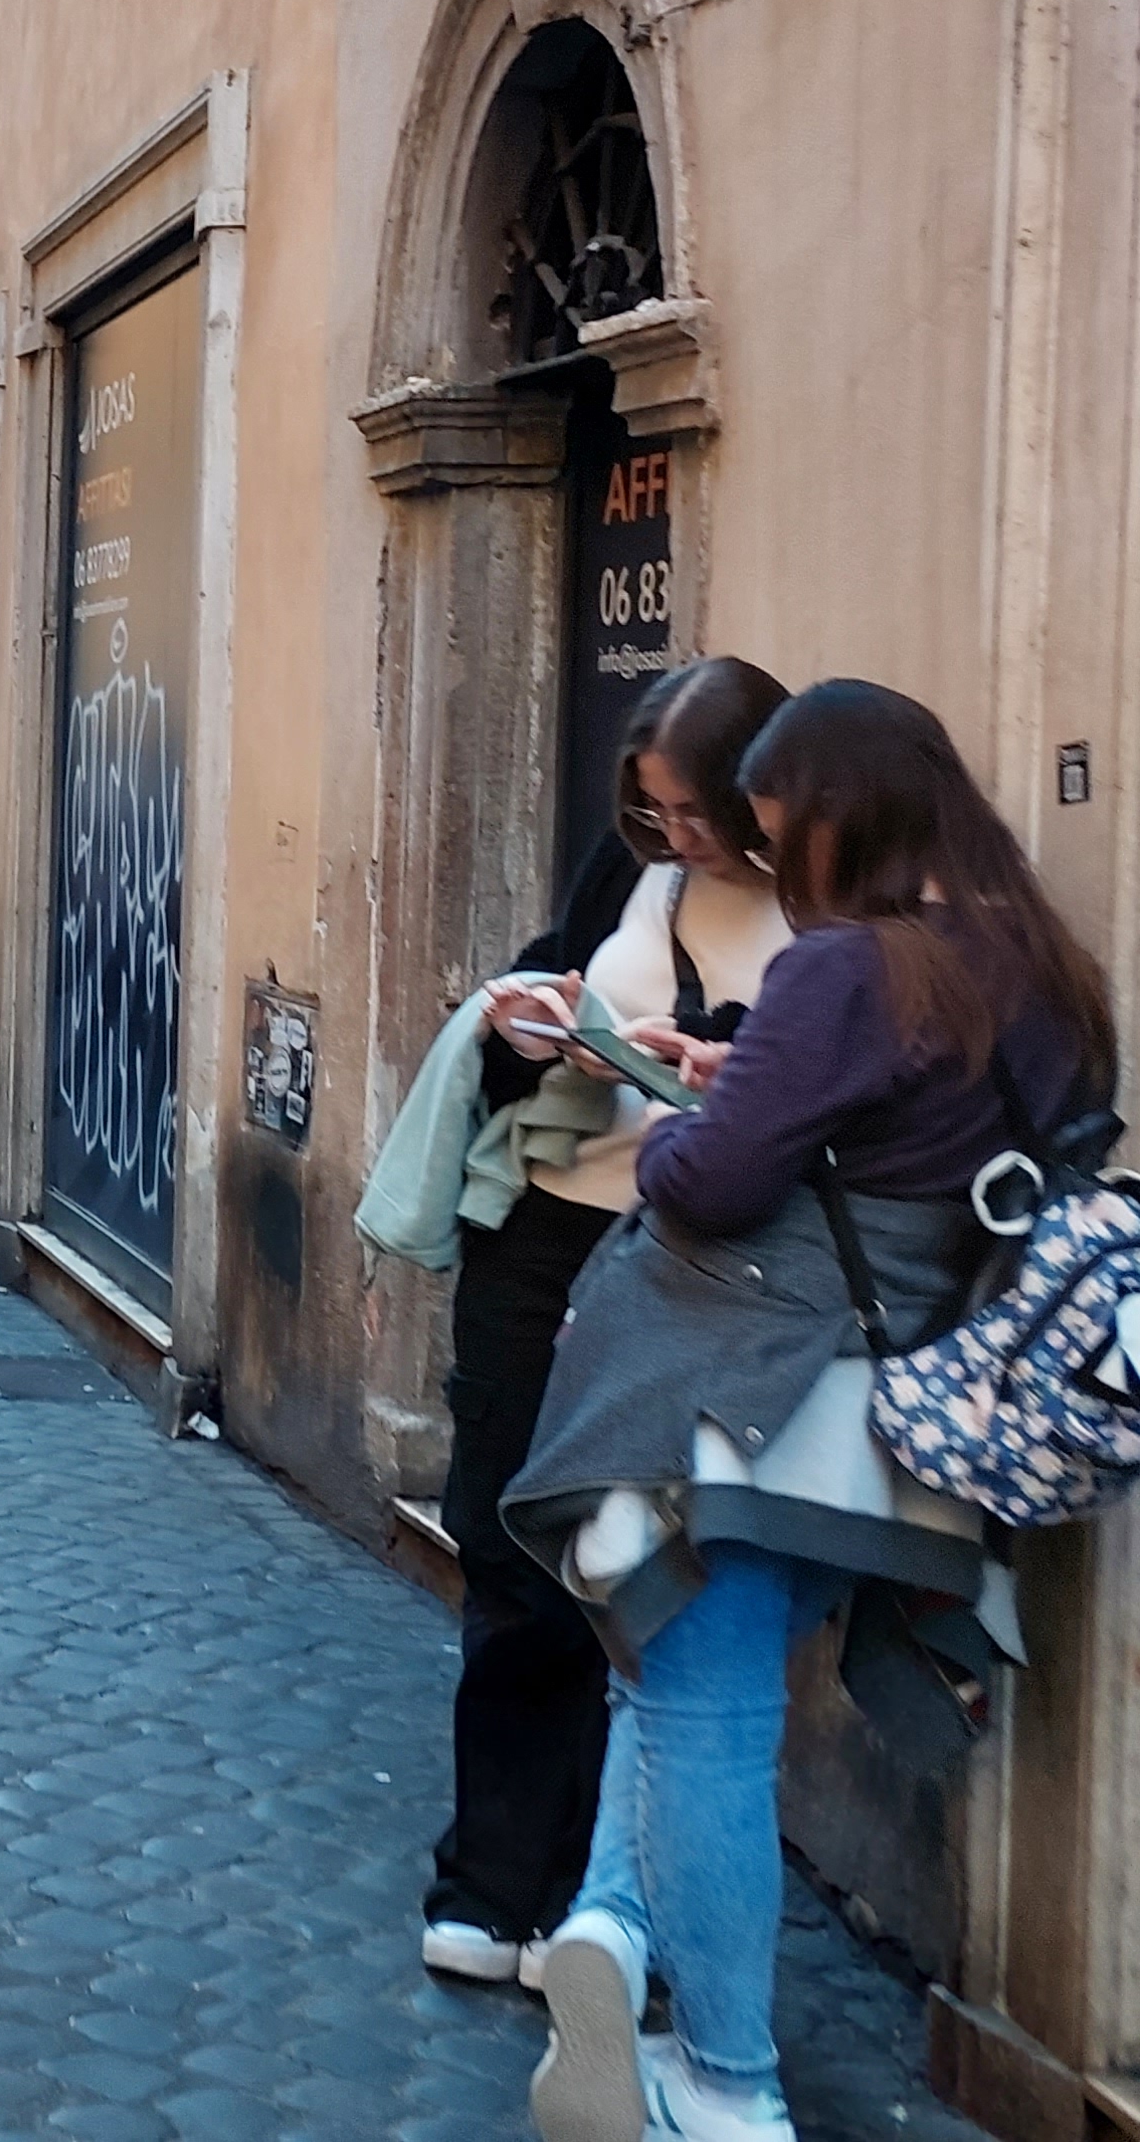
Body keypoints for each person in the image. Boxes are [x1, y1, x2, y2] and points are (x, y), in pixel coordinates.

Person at [500, 681, 1105, 2142]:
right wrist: (754, 1073)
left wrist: (684, 1124)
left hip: (758, 1394)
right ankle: (609, 1924)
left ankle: (725, 2079)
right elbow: (922, 1147)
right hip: (908, 1416)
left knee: (701, 1713)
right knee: (674, 1675)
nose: (774, 866)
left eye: (781, 836)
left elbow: (716, 1182)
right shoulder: (1041, 969)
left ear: (847, 822)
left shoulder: (847, 972)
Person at [400, 660, 796, 1989]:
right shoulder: (632, 866)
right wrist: (528, 1025)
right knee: (510, 1548)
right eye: (650, 811)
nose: (669, 836)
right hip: (543, 1238)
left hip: (698, 1271)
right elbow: (550, 972)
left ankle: (605, 1902)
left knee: (646, 1580)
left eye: (692, 812)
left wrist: (723, 1074)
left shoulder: (829, 908)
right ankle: (493, 1881)